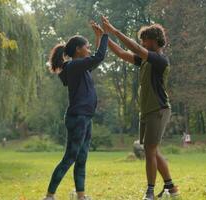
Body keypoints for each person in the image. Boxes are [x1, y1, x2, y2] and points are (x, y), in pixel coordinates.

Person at [101, 16, 180, 200]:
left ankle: (150, 192)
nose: (142, 43)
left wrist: (114, 31)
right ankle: (171, 187)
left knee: (150, 151)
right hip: (147, 111)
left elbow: (135, 48)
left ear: (153, 41)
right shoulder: (145, 61)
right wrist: (104, 37)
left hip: (158, 110)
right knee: (151, 150)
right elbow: (121, 53)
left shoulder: (160, 60)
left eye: (144, 40)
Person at [43, 21, 108, 200]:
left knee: (82, 158)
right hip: (78, 117)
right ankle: (49, 196)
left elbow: (94, 59)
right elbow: (99, 56)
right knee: (70, 157)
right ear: (78, 50)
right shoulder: (73, 66)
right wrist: (105, 36)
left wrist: (97, 38)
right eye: (86, 47)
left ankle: (81, 196)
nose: (88, 50)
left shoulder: (79, 68)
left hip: (85, 117)